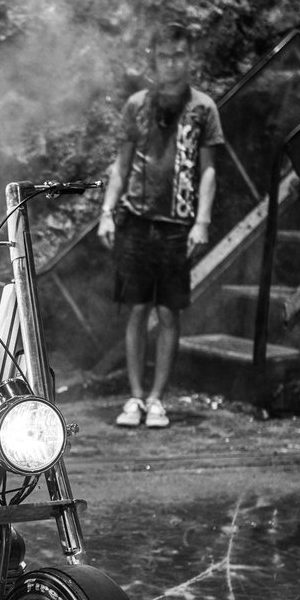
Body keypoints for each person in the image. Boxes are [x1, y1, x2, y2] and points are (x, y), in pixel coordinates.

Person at [98, 21, 224, 428]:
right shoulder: (137, 105)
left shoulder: (203, 108)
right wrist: (107, 212)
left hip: (177, 226)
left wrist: (202, 221)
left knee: (168, 313)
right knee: (136, 309)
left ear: (190, 58)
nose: (171, 64)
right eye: (164, 56)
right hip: (136, 221)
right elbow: (120, 165)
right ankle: (135, 397)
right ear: (154, 59)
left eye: (179, 56)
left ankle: (157, 399)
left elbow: (208, 170)